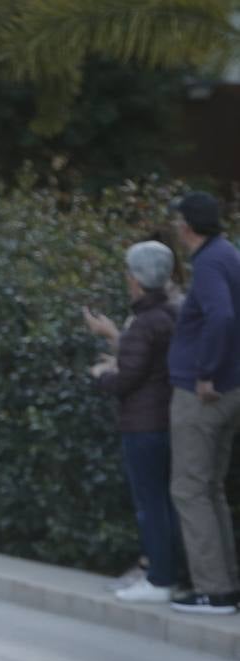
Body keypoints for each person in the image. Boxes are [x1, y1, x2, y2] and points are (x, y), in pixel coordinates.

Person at [85, 242, 182, 603]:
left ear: (137, 279)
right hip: (167, 418)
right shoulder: (171, 313)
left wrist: (100, 375)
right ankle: (166, 572)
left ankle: (159, 578)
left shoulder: (146, 322)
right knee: (164, 501)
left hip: (144, 424)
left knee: (150, 503)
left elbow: (129, 378)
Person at [166, 192, 240, 615]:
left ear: (187, 227)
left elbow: (223, 316)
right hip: (230, 388)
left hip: (205, 395)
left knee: (190, 488)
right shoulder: (227, 253)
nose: (177, 228)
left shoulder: (209, 262)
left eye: (178, 221)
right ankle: (225, 585)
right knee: (209, 488)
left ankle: (213, 589)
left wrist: (207, 370)